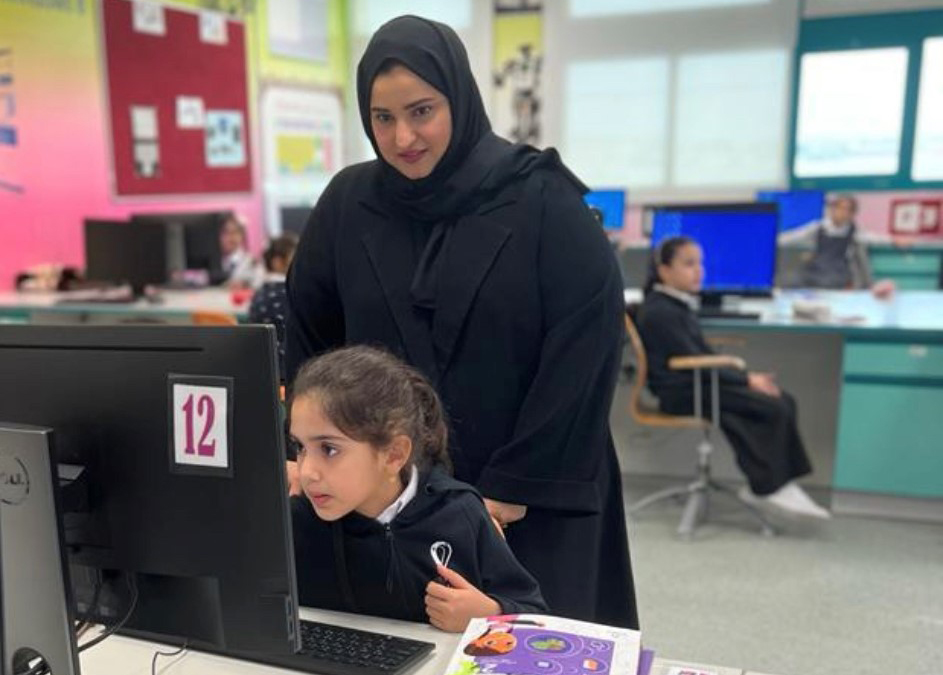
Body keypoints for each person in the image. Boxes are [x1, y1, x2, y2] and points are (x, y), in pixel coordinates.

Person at [285, 16, 638, 629]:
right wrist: (311, 450)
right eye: (383, 118)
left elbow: (584, 351)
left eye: (422, 111)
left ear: (460, 98)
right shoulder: (349, 203)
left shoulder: (542, 199)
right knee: (395, 643)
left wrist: (511, 487)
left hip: (533, 488)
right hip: (391, 490)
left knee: (532, 648)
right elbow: (309, 337)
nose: (403, 137)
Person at [289, 346, 546, 632]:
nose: (306, 471)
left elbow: (533, 617)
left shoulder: (460, 512)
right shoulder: (295, 520)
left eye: (329, 449)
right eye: (300, 447)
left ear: (394, 454)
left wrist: (488, 615)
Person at [635, 236, 831, 520]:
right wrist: (747, 380)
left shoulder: (675, 304)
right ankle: (769, 486)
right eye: (689, 264)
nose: (699, 270)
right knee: (771, 405)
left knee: (780, 400)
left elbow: (698, 357)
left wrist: (746, 379)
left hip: (697, 384)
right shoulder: (660, 311)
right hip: (680, 392)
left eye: (699, 263)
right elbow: (692, 362)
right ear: (664, 271)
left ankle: (772, 484)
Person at [779, 194, 895, 297]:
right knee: (790, 283)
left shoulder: (853, 232)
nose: (842, 213)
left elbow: (873, 238)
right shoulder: (819, 228)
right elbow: (794, 236)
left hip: (837, 276)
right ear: (831, 210)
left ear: (852, 214)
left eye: (847, 210)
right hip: (815, 271)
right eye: (839, 208)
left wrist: (894, 240)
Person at [248, 234, 298, 381]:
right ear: (277, 262)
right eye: (295, 257)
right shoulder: (286, 293)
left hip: (262, 369)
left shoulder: (262, 291)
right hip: (286, 372)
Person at [216, 213, 259, 288]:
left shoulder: (253, 262)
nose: (230, 237)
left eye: (234, 232)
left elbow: (258, 286)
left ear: (242, 236)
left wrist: (245, 285)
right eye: (225, 233)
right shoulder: (215, 262)